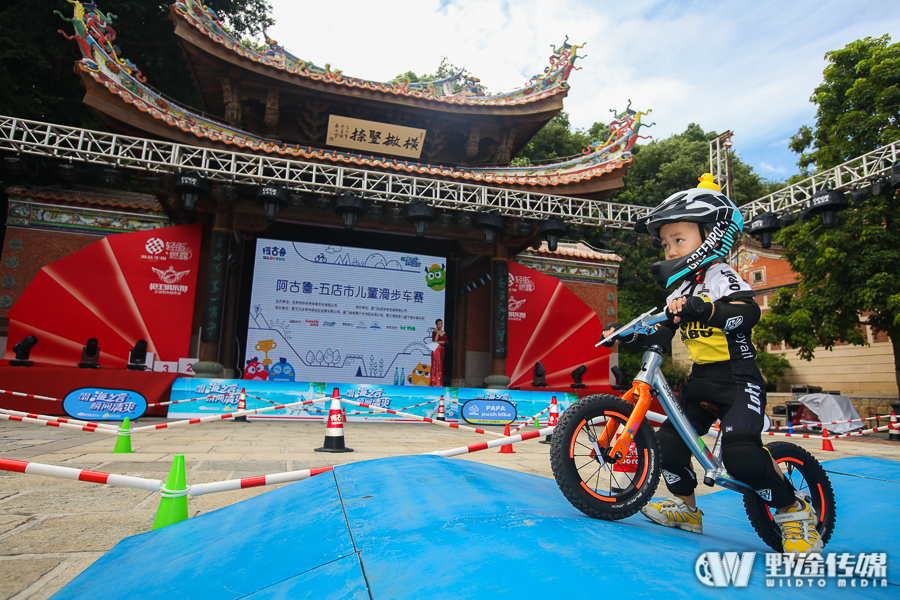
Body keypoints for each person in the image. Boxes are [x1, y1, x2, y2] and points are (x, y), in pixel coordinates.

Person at [602, 177, 822, 554]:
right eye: (666, 242)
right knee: (667, 446)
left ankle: (794, 513)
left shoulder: (721, 276)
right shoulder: (679, 291)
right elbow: (664, 332)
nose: (670, 248)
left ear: (711, 235)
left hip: (738, 379)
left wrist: (705, 308)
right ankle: (686, 510)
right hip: (700, 381)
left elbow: (747, 313)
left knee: (741, 458)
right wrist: (630, 335)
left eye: (679, 239)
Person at [429, 319, 448, 387]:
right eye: (439, 324)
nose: (441, 325)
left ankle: (439, 383)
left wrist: (439, 342)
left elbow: (445, 342)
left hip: (441, 350)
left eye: (441, 323)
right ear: (437, 325)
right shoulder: (434, 332)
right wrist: (437, 332)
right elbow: (435, 340)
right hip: (435, 349)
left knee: (440, 365)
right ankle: (433, 383)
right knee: (434, 365)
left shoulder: (444, 332)